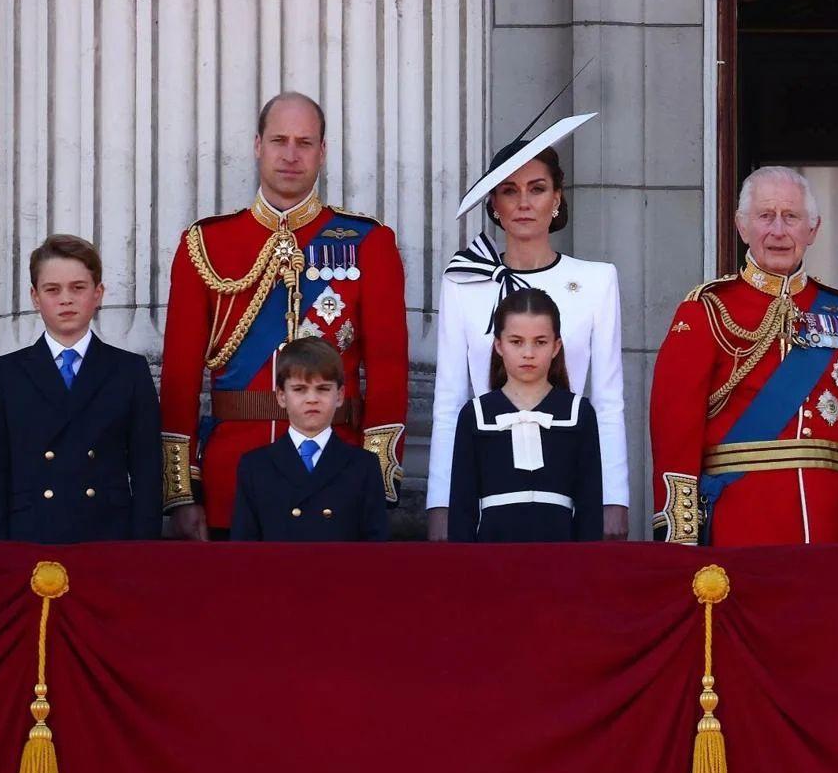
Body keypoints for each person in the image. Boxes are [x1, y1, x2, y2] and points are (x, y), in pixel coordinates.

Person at [160, 91, 409, 541]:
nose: (291, 155)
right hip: (231, 476)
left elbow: (389, 371)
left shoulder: (369, 241)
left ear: (323, 151)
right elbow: (179, 376)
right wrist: (183, 490)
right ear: (258, 145)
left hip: (338, 475)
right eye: (279, 140)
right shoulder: (206, 244)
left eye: (305, 142)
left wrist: (378, 480)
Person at [649, 166, 838, 546]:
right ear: (742, 226)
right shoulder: (706, 311)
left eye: (791, 217)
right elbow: (675, 430)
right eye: (766, 216)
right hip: (738, 525)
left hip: (828, 528)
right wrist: (681, 538)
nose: (778, 231)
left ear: (812, 230)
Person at [428, 110, 629, 541]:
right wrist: (441, 504)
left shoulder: (597, 280)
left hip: (568, 474)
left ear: (557, 198)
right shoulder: (464, 282)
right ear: (494, 205)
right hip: (486, 479)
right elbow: (449, 400)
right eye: (509, 190)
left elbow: (609, 400)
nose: (523, 203)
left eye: (537, 189)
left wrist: (614, 497)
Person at [0, 234, 162, 542]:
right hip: (30, 537)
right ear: (35, 297)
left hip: (108, 538)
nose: (66, 299)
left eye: (78, 287)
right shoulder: (5, 375)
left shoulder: (129, 371)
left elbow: (147, 473)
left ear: (98, 293)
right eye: (52, 289)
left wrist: (142, 551)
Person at [448, 289, 602, 543]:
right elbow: (461, 509)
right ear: (499, 345)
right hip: (492, 560)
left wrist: (585, 572)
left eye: (540, 342)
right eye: (516, 342)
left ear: (556, 347)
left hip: (560, 557)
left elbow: (590, 508)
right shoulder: (475, 414)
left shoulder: (578, 413)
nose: (528, 353)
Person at [231, 338, 389, 541]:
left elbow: (376, 551)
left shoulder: (364, 466)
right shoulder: (255, 466)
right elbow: (244, 551)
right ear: (281, 396)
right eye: (299, 389)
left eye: (323, 389)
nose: (312, 398)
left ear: (340, 395)